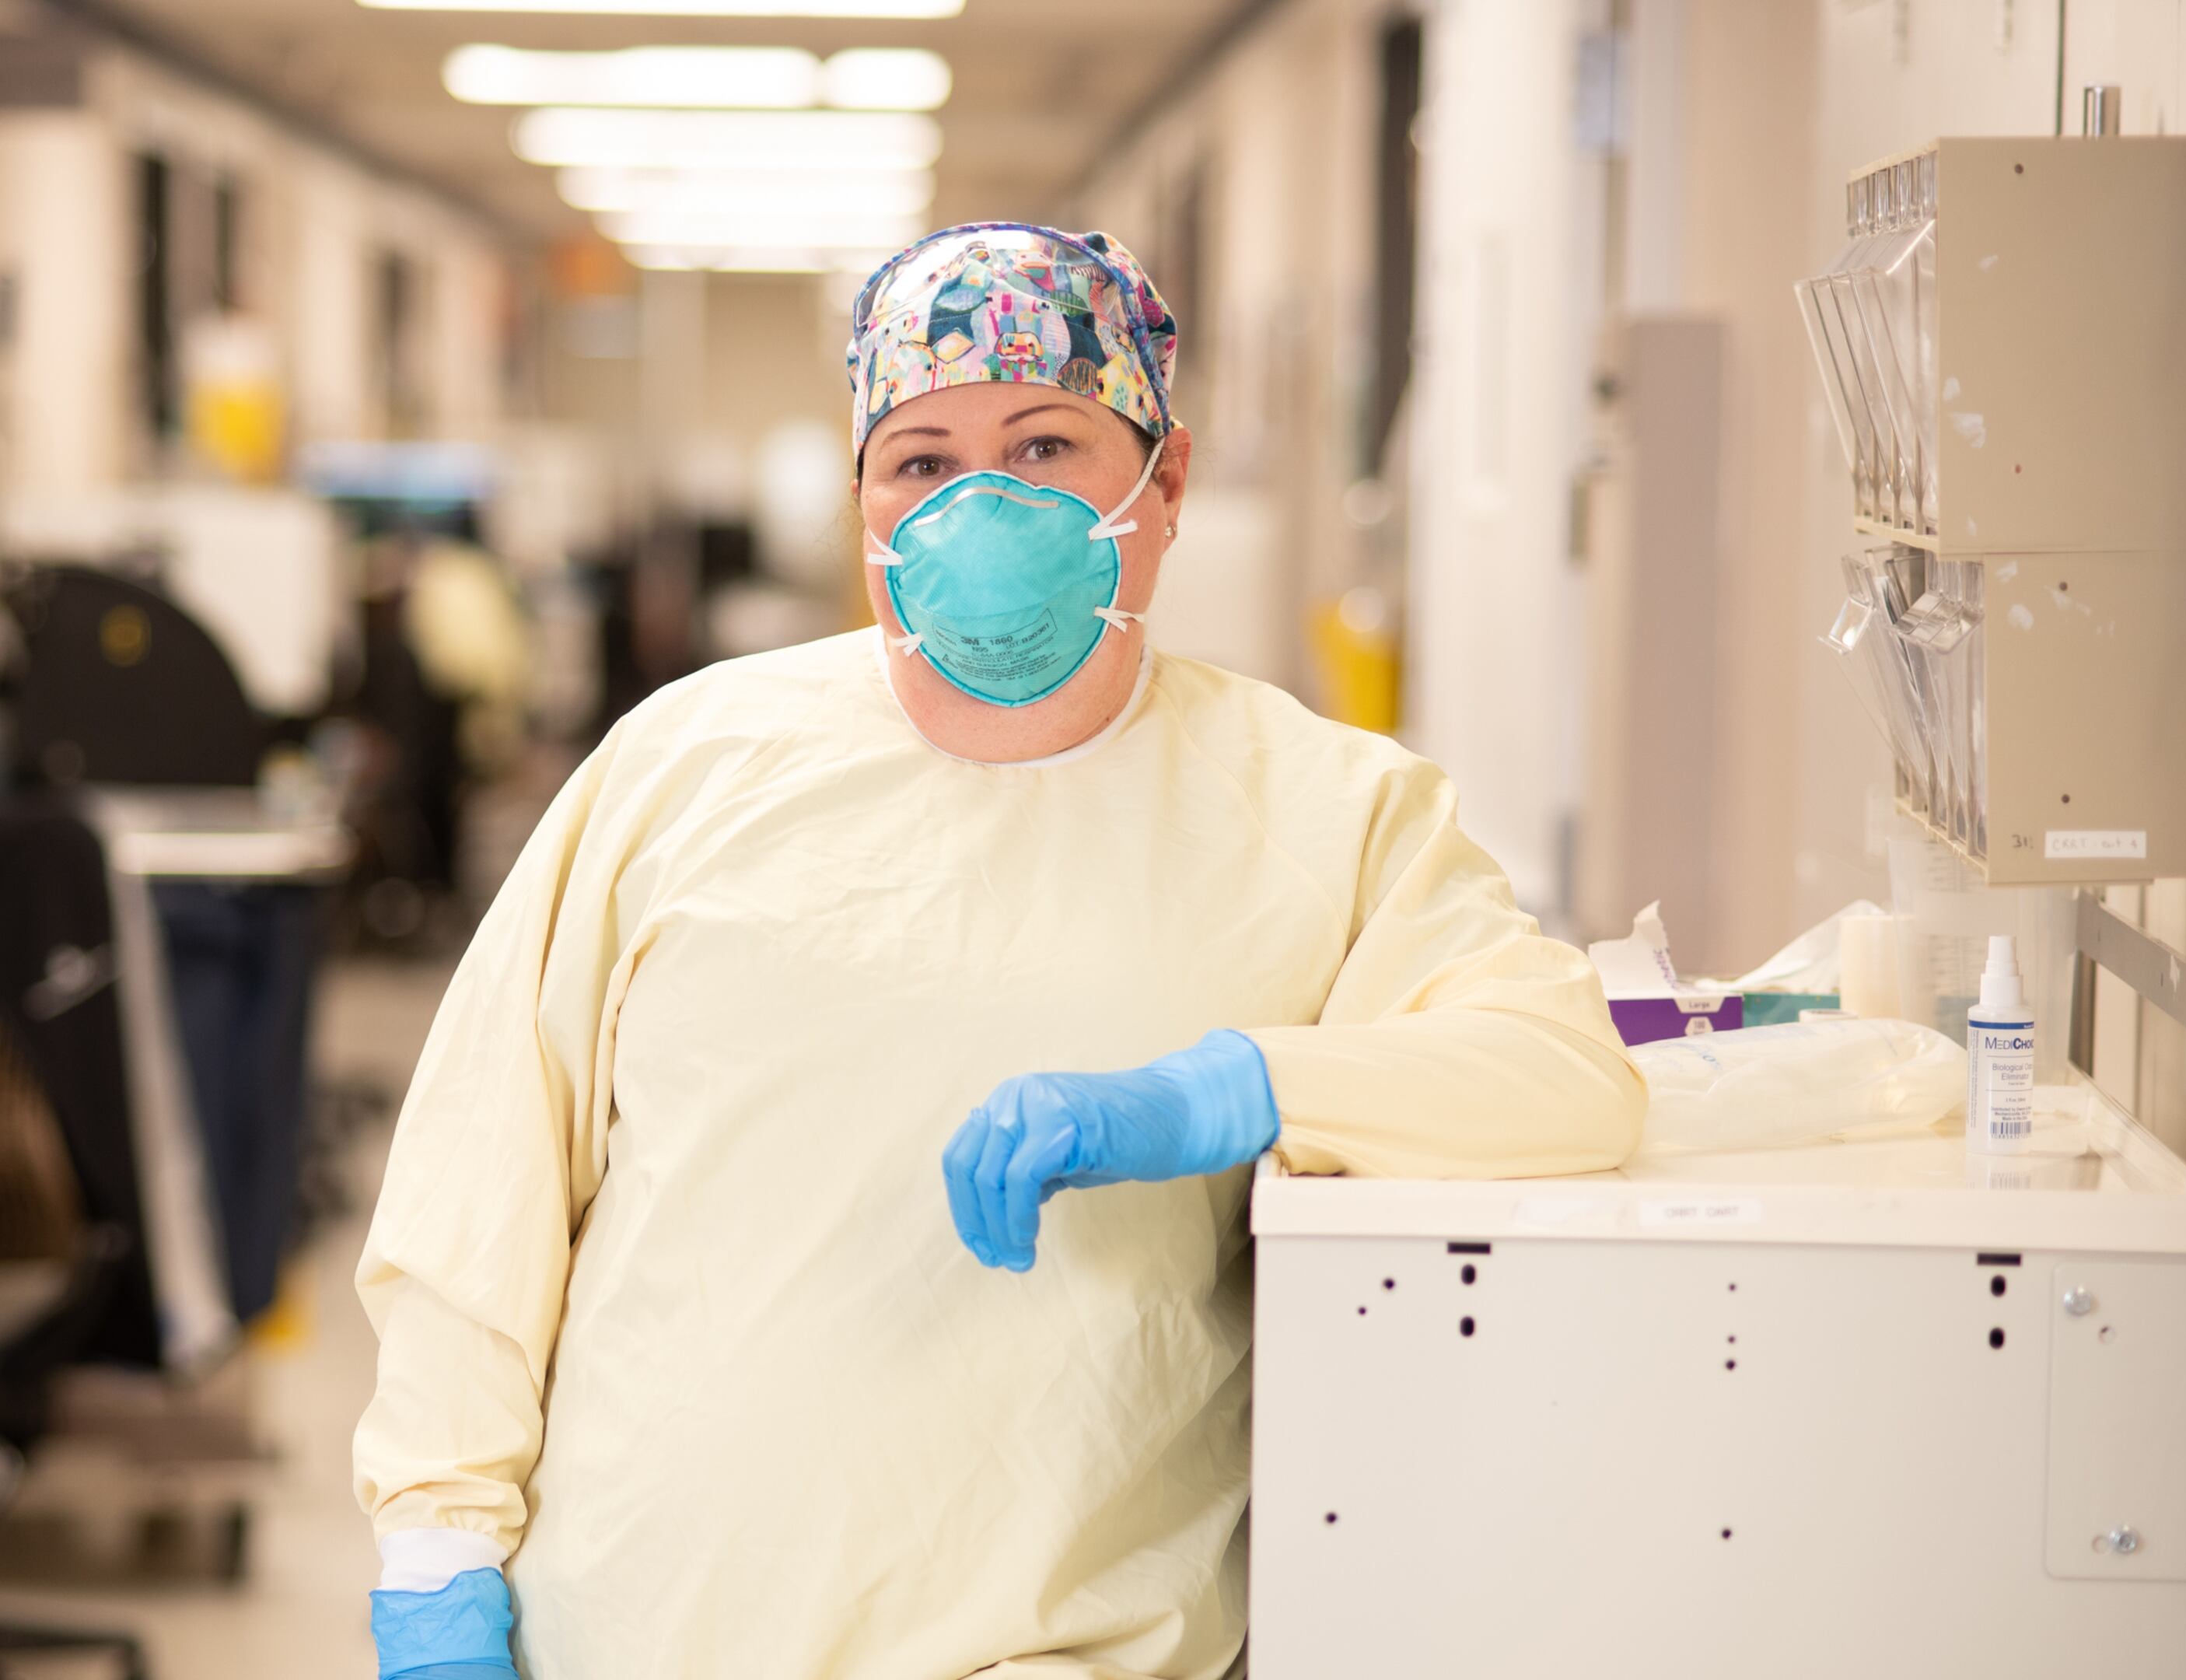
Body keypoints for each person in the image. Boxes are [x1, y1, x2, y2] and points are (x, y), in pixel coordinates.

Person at [353, 223, 1645, 1680]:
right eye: (921, 460)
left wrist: (1230, 1090)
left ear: (1162, 481)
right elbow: (485, 1172)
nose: (979, 501)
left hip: (1053, 1640)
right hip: (635, 1623)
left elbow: (1564, 1074)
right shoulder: (686, 763)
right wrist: (439, 1556)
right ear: (866, 508)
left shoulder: (1324, 811)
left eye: (1045, 446)